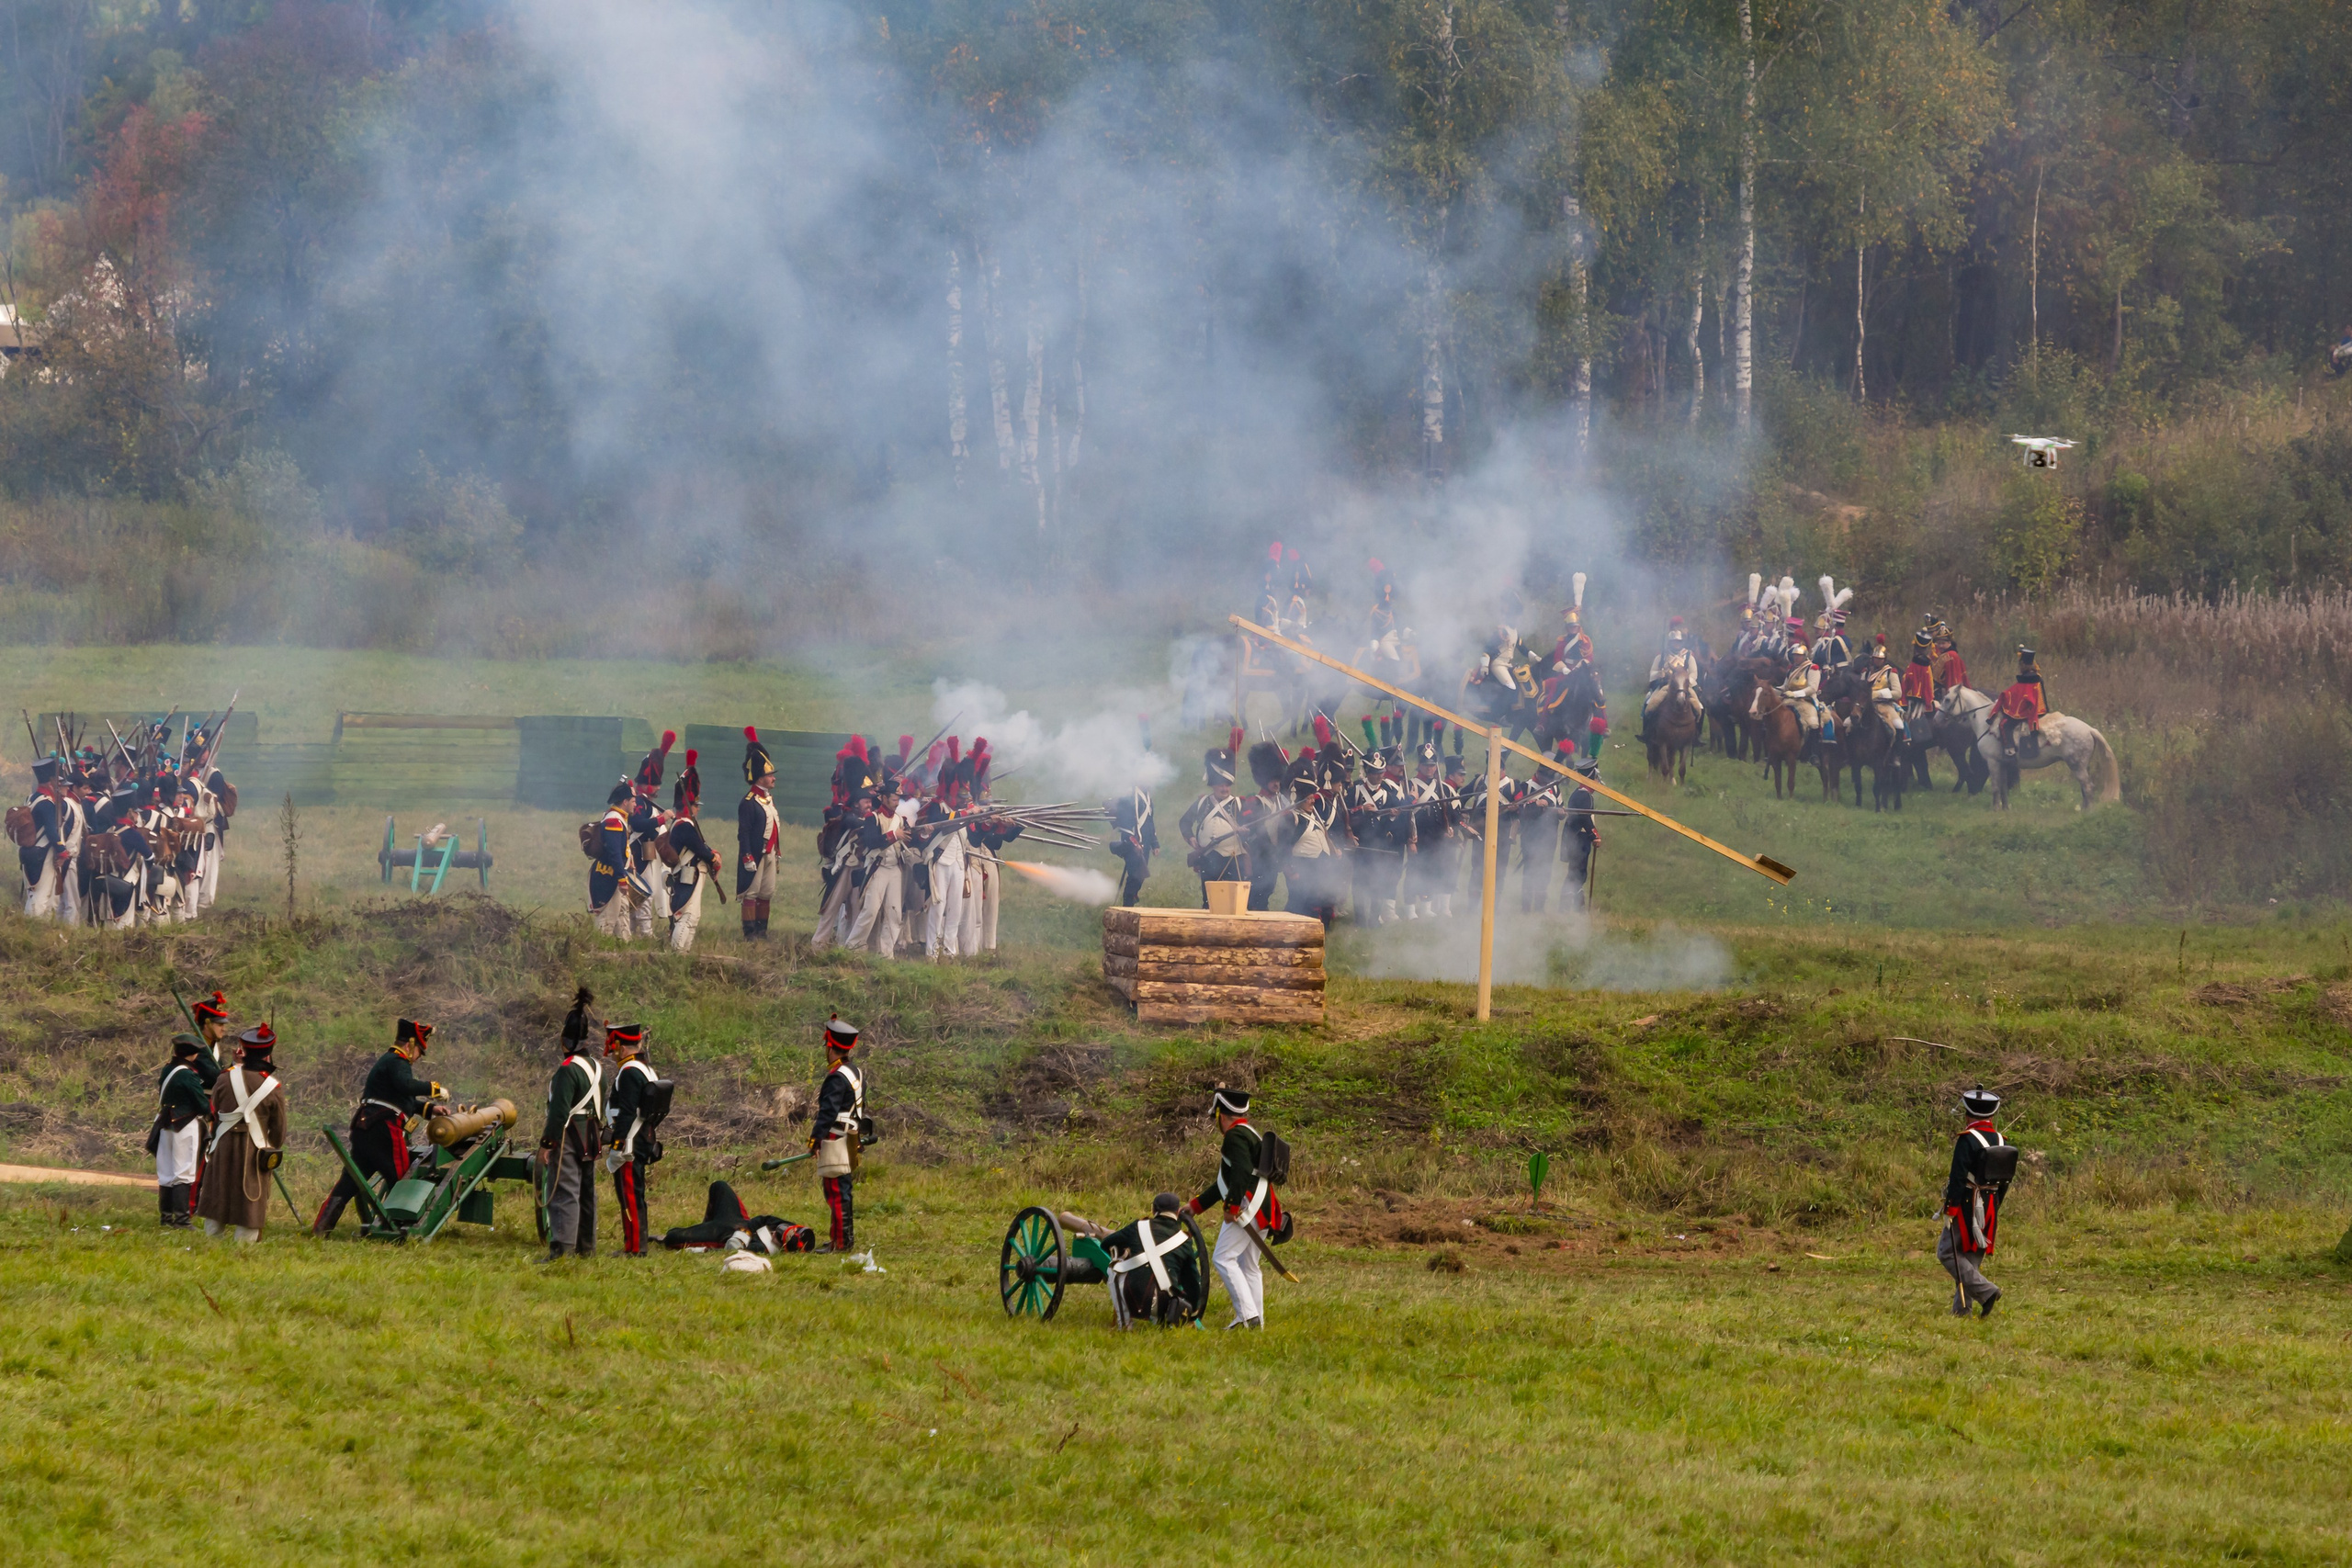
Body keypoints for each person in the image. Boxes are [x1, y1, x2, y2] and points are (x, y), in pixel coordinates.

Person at [312, 1019, 443, 1237]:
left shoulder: (389, 1062)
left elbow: (403, 1100)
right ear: (410, 1045)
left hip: (366, 1130)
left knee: (351, 1181)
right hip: (384, 1129)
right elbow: (406, 1086)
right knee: (402, 1177)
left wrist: (431, 1109)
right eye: (419, 1051)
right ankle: (401, 1229)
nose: (419, 1056)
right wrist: (434, 1088)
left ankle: (321, 1227)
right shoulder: (398, 1061)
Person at [1186, 1087, 1284, 1330]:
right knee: (1249, 1266)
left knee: (1223, 1258)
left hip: (1247, 1207)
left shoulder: (1234, 1137)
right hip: (1262, 1208)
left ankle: (1247, 1317)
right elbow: (1226, 1181)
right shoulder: (1248, 1134)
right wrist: (1196, 1206)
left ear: (1221, 1115)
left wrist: (1231, 1206)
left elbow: (1241, 1171)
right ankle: (1256, 1322)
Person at [195, 1024, 288, 1243]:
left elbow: (216, 1109)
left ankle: (211, 1242)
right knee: (251, 1201)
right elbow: (278, 1130)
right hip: (255, 1149)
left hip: (223, 1143)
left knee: (218, 1192)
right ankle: (244, 1248)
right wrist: (270, 1149)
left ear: (244, 1049)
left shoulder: (224, 1078)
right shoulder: (271, 1086)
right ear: (268, 1053)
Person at [1940, 1086, 2013, 1317]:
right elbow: (2005, 1180)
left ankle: (1988, 1291)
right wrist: (1996, 1205)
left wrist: (1950, 1207)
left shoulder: (1967, 1140)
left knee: (1947, 1252)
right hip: (1990, 1205)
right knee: (1970, 1260)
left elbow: (1958, 1177)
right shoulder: (2001, 1140)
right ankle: (1962, 1310)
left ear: (1968, 1114)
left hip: (1966, 1204)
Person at [537, 1022, 605, 1260]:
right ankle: (586, 1247)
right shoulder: (596, 1067)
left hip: (569, 1134)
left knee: (564, 1190)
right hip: (591, 1134)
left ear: (563, 1041)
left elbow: (558, 1112)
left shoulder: (567, 1070)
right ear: (585, 1041)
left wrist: (548, 1143)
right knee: (586, 1191)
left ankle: (562, 1250)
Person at [1099, 1193, 1205, 1327]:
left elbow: (1106, 1244)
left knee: (1115, 1265)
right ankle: (1160, 1323)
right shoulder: (1185, 1241)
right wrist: (1192, 1312)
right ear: (1178, 1212)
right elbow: (1193, 1282)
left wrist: (1126, 1253)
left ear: (1153, 1210)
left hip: (1133, 1297)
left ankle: (1125, 1324)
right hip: (1167, 1305)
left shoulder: (1138, 1226)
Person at [809, 1014, 866, 1253]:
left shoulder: (836, 1077)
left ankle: (841, 1243)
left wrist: (815, 1140)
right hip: (850, 1135)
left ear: (831, 1047)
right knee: (841, 1191)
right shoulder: (854, 1071)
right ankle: (840, 1238)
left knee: (836, 1192)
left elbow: (828, 1112)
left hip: (836, 1137)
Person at [604, 1023, 660, 1258]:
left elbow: (627, 1112)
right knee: (635, 1194)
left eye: (614, 1048)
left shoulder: (629, 1072)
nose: (612, 1053)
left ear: (621, 1047)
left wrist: (617, 1145)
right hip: (642, 1137)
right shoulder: (646, 1069)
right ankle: (636, 1243)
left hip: (629, 1142)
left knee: (629, 1196)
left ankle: (635, 1248)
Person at [1177, 728, 1249, 906]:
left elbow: (1252, 829)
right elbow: (1184, 822)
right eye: (1220, 785)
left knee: (1232, 902)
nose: (1224, 789)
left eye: (1227, 785)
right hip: (1208, 858)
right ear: (1213, 785)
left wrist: (1244, 831)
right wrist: (1191, 838)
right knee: (1209, 901)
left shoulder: (1239, 804)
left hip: (1233, 859)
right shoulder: (1202, 802)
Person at [152, 1032, 211, 1228]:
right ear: (193, 1054)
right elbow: (203, 1105)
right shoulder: (188, 1074)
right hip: (185, 1125)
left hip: (165, 1124)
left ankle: (166, 1218)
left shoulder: (167, 1069)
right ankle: (182, 1220)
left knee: (167, 1172)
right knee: (184, 1171)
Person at [19, 756, 86, 923]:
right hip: (42, 853)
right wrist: (62, 851)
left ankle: (34, 928)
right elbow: (51, 830)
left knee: (34, 894)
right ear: (51, 781)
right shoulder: (47, 803)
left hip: (30, 852)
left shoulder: (32, 798)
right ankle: (34, 929)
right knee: (41, 896)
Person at [660, 789, 724, 953]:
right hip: (688, 875)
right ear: (687, 806)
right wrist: (713, 859)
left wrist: (713, 855)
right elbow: (699, 848)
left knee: (693, 917)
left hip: (690, 874)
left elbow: (700, 846)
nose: (698, 808)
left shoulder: (683, 824)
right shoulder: (684, 826)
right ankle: (677, 954)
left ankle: (684, 953)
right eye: (695, 805)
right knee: (686, 916)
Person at [737, 727, 780, 941]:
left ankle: (762, 931)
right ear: (760, 777)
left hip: (770, 853)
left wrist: (777, 851)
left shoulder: (768, 799)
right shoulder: (748, 802)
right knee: (751, 894)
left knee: (766, 893)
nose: (773, 778)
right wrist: (747, 856)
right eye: (769, 775)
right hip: (755, 854)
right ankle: (750, 933)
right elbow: (743, 833)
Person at [588, 782, 633, 939]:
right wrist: (622, 879)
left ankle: (626, 947)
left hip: (614, 873)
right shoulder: (614, 820)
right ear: (625, 802)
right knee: (607, 918)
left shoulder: (617, 818)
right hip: (609, 875)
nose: (635, 804)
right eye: (633, 801)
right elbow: (614, 853)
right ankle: (598, 948)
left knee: (621, 914)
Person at [1104, 776, 1158, 908]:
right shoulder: (1129, 795)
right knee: (1135, 874)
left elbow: (1149, 820)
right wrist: (1133, 840)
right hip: (1131, 840)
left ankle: (1132, 897)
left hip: (1145, 841)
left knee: (1141, 874)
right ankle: (1128, 904)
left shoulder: (1147, 795)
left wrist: (1155, 843)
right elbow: (1124, 820)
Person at [1559, 756, 1600, 911]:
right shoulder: (1584, 795)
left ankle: (1577, 907)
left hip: (1578, 838)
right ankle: (1567, 907)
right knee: (1576, 873)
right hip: (1579, 838)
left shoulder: (1581, 793)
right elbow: (1584, 817)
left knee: (1579, 873)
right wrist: (1594, 835)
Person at [1994, 647, 2049, 758]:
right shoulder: (2036, 676)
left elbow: (2019, 694)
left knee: (2004, 724)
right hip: (2041, 709)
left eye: (2020, 665)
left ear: (2024, 665)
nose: (2019, 667)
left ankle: (2010, 751)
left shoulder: (2028, 678)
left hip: (2030, 711)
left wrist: (2005, 697)